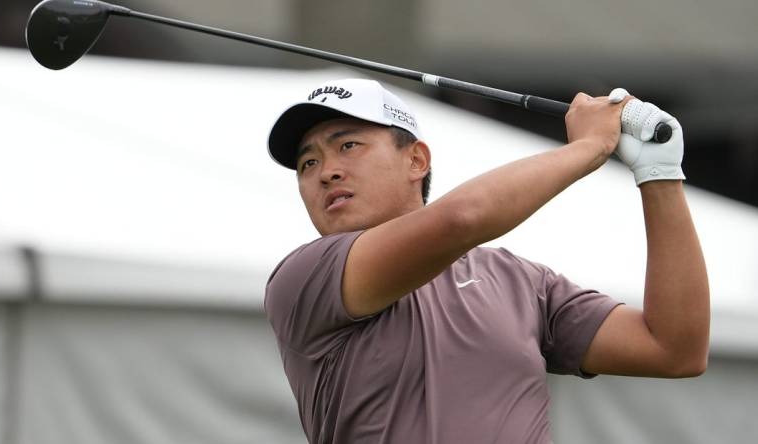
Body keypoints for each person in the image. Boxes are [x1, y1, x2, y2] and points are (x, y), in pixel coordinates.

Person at [263, 78, 709, 444]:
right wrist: (588, 147)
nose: (326, 171)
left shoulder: (519, 280)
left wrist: (660, 176)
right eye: (308, 163)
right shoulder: (306, 277)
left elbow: (674, 349)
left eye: (348, 146)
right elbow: (462, 218)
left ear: (416, 159)